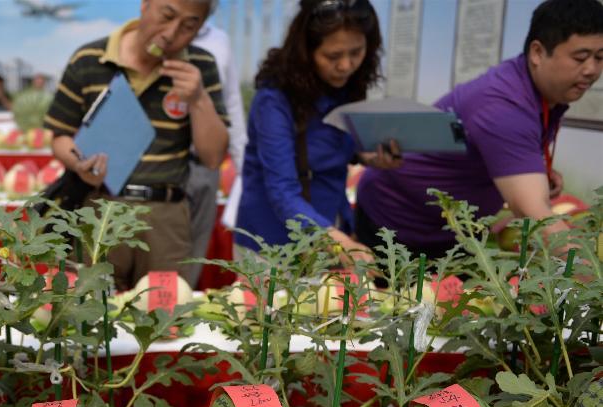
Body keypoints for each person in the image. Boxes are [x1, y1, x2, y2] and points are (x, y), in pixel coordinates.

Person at [356, 0, 603, 258]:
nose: (592, 70)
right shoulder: (503, 107)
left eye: (600, 57)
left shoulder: (536, 90)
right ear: (538, 53)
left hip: (455, 228)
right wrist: (593, 274)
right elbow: (535, 216)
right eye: (580, 57)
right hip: (399, 224)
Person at [44, 0, 229, 290]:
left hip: (166, 216)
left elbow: (213, 156)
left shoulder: (200, 65)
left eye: (189, 26)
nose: (171, 33)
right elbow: (60, 136)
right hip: (99, 208)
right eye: (166, 15)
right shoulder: (89, 58)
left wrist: (198, 98)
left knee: (161, 320)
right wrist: (79, 163)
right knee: (90, 315)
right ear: (145, 5)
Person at [234, 0, 399, 261]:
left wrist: (369, 158)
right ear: (305, 51)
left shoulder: (347, 86)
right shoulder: (274, 99)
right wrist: (339, 243)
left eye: (356, 52)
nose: (346, 65)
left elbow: (334, 148)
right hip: (273, 244)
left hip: (330, 227)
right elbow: (282, 191)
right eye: (333, 56)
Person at [185, 21, 247, 287]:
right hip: (153, 169)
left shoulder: (218, 40)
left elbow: (231, 102)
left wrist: (245, 170)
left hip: (204, 163)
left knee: (192, 258)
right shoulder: (146, 35)